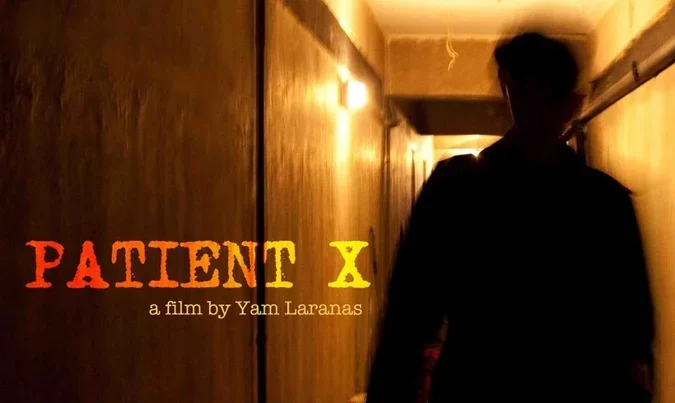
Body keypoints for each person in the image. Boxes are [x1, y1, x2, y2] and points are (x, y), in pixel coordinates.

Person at [366, 32, 654, 403]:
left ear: (507, 89)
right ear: (573, 103)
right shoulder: (603, 201)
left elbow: (408, 318)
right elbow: (634, 342)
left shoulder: (457, 188)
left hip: (476, 386)